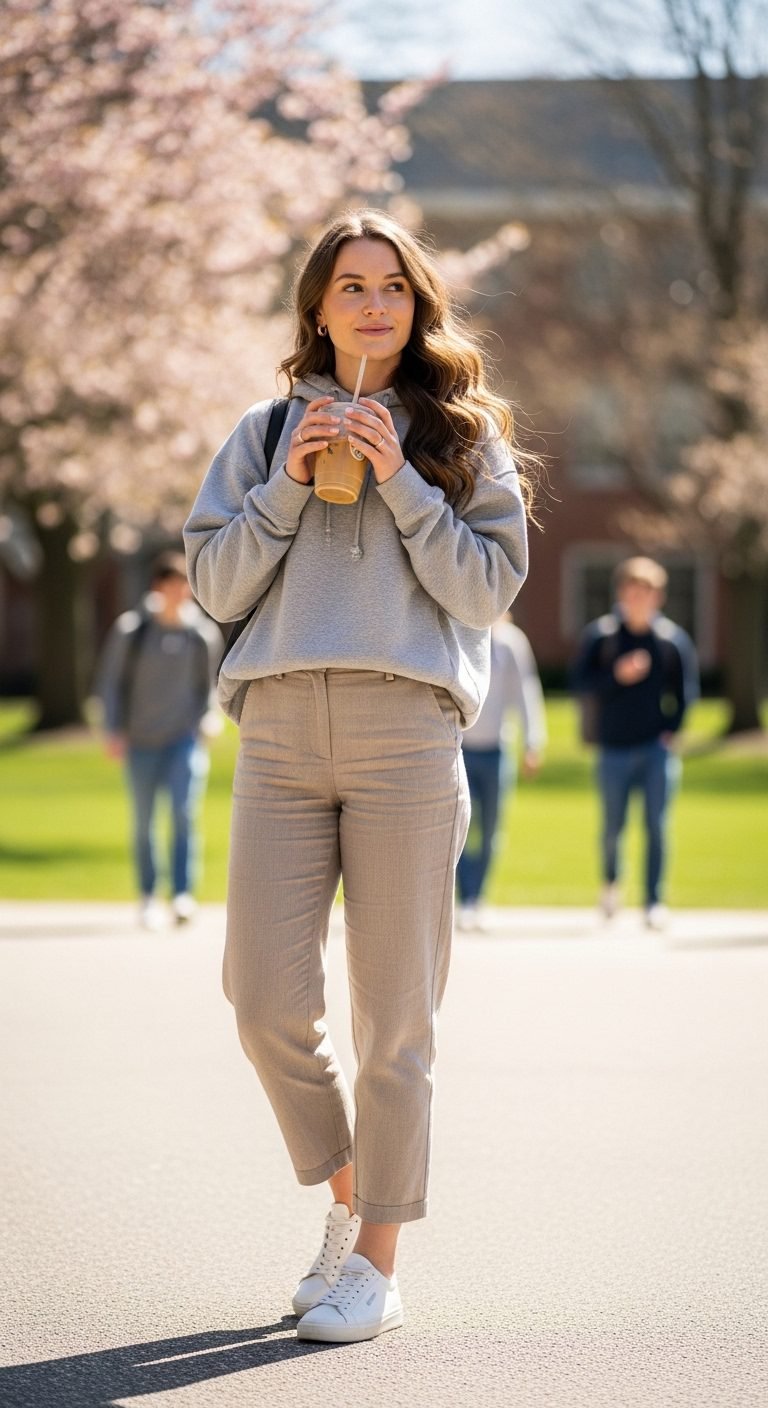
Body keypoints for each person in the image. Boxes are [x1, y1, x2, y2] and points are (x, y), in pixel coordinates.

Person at [184, 208, 532, 1344]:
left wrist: (405, 482)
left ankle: (378, 1265)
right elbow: (216, 588)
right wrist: (285, 484)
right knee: (265, 1000)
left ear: (417, 303)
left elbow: (484, 594)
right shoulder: (260, 429)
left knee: (396, 1020)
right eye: (350, 286)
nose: (373, 303)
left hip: (407, 734)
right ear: (318, 307)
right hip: (280, 730)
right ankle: (348, 1201)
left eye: (391, 285)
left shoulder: (464, 435)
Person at [570, 556, 699, 929]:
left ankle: (654, 901)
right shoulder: (602, 636)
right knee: (613, 827)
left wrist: (671, 729)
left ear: (658, 596)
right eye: (632, 589)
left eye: (647, 591)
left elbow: (686, 693)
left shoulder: (671, 641)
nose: (639, 597)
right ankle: (610, 885)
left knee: (657, 826)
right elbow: (580, 684)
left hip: (655, 750)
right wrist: (617, 675)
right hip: (612, 748)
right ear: (622, 592)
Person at [97, 551, 222, 930]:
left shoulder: (200, 634)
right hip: (140, 742)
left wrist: (209, 719)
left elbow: (209, 687)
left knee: (184, 815)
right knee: (145, 822)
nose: (177, 594)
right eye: (170, 586)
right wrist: (113, 729)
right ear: (157, 588)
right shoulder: (132, 630)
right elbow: (110, 684)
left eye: (182, 586)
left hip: (183, 740)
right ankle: (149, 895)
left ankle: (182, 895)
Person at [456, 613, 546, 931]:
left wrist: (533, 741)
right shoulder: (458, 634)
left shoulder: (511, 643)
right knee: (460, 829)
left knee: (492, 829)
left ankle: (478, 897)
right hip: (459, 749)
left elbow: (526, 692)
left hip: (496, 750)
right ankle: (463, 897)